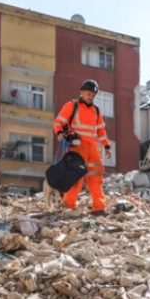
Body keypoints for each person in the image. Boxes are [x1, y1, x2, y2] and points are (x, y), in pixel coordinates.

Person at [52, 79, 111, 216]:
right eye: (88, 94)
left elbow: (101, 131)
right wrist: (60, 133)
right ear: (82, 92)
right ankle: (69, 205)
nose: (91, 97)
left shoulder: (96, 111)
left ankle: (99, 208)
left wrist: (107, 146)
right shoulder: (72, 106)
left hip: (93, 148)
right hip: (77, 148)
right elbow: (58, 122)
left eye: (93, 95)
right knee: (76, 178)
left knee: (96, 178)